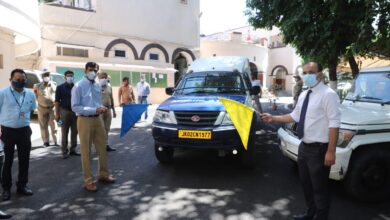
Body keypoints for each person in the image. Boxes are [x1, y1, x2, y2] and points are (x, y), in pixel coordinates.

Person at [261, 62, 341, 220]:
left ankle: (321, 216)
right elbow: (294, 116)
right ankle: (310, 213)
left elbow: (334, 124)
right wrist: (273, 118)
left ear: (320, 74)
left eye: (311, 72)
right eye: (304, 72)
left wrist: (331, 151)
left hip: (320, 150)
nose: (307, 75)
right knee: (306, 185)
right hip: (303, 147)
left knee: (320, 188)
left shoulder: (328, 95)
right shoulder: (305, 95)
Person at [71, 62, 115, 192]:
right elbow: (75, 107)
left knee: (102, 148)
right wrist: (94, 109)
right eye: (90, 70)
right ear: (85, 70)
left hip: (98, 119)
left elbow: (97, 101)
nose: (93, 73)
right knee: (86, 151)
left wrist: (100, 108)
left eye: (95, 71)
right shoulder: (78, 86)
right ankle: (88, 181)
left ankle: (103, 174)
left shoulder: (97, 85)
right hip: (84, 120)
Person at [0, 69, 36, 201]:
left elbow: (32, 109)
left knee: (24, 160)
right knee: (7, 161)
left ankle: (22, 185)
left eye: (23, 80)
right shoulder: (3, 93)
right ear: (10, 80)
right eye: (17, 80)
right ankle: (6, 188)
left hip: (24, 131)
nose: (20, 82)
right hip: (7, 131)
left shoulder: (30, 94)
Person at [55, 70, 80, 159]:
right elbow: (57, 101)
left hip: (75, 113)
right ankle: (64, 151)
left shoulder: (77, 87)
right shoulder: (60, 87)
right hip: (64, 112)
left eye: (72, 76)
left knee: (75, 132)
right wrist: (57, 114)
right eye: (68, 76)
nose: (70, 77)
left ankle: (73, 149)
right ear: (65, 77)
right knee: (64, 132)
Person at [33, 71, 58, 147]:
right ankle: (46, 142)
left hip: (52, 108)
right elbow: (35, 96)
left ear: (49, 76)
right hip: (42, 108)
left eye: (47, 75)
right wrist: (36, 106)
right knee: (43, 126)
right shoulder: (37, 86)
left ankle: (56, 141)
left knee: (53, 125)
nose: (46, 76)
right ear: (42, 77)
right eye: (44, 75)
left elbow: (56, 95)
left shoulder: (54, 84)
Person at [98, 72, 117, 152]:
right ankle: (99, 146)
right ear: (99, 78)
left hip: (108, 110)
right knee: (100, 129)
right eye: (101, 77)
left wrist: (114, 110)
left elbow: (111, 98)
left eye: (104, 77)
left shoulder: (109, 86)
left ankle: (106, 145)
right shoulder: (96, 87)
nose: (103, 79)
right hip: (100, 111)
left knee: (107, 128)